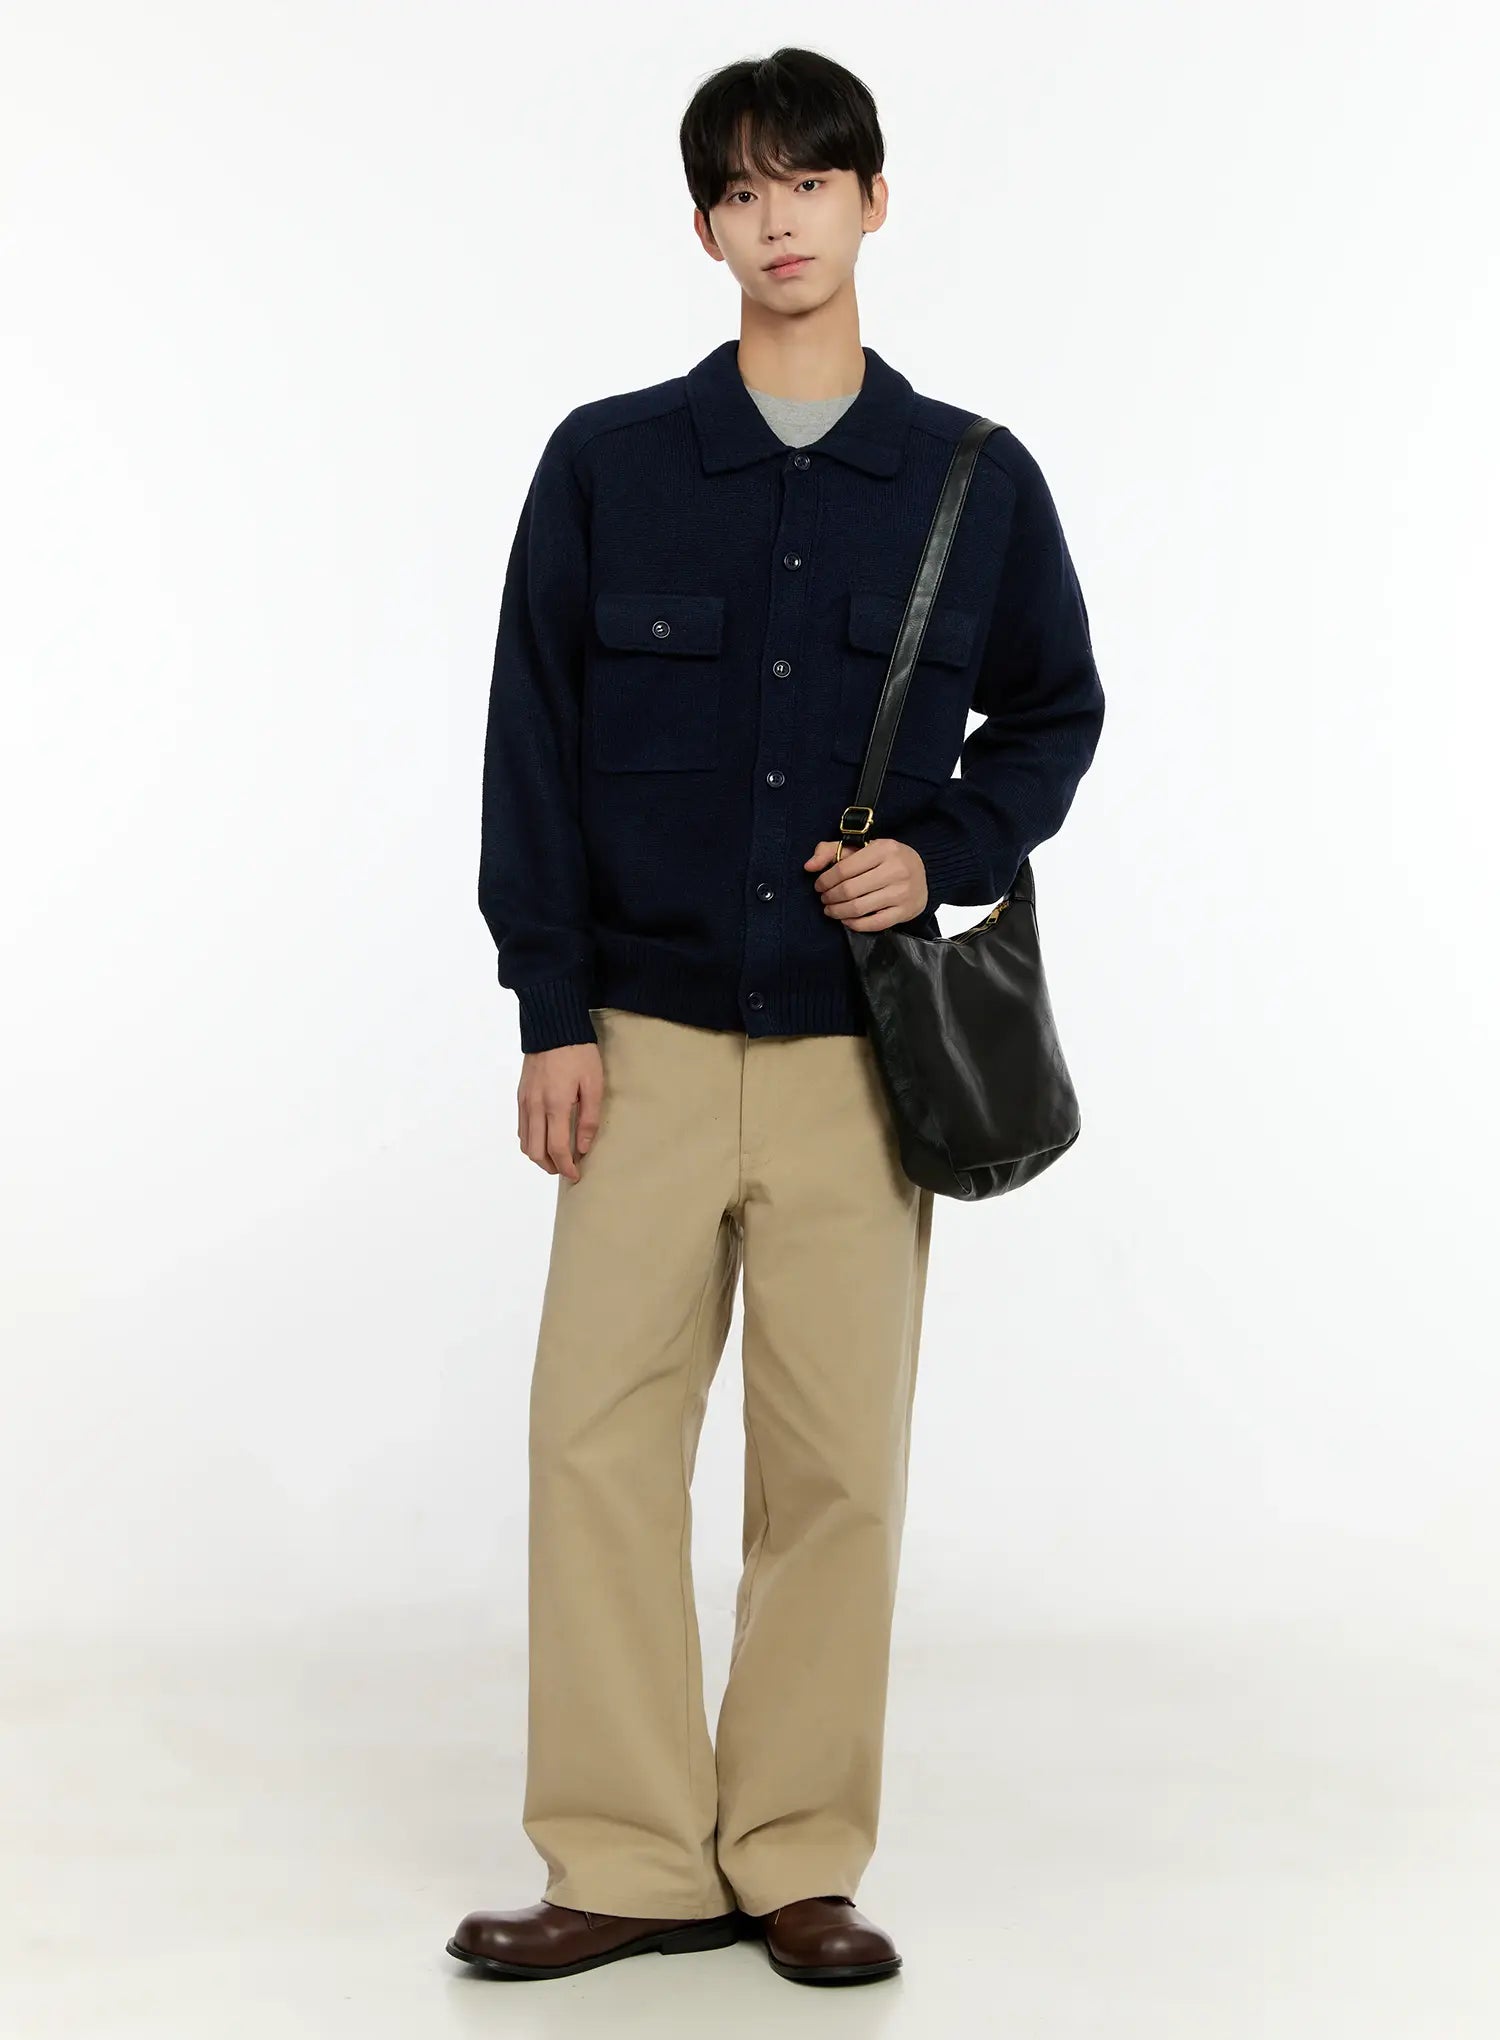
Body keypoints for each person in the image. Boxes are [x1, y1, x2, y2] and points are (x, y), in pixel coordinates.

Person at [445, 45, 1105, 1989]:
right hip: (635, 1048)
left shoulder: (973, 481)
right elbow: (531, 745)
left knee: (836, 1473)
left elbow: (1053, 711)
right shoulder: (608, 464)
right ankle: (628, 1855)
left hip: (854, 1066)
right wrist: (548, 1009)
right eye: (741, 190)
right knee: (595, 1447)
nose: (779, 218)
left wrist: (941, 850)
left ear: (873, 200)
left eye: (811, 180)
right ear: (705, 229)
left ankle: (796, 1854)